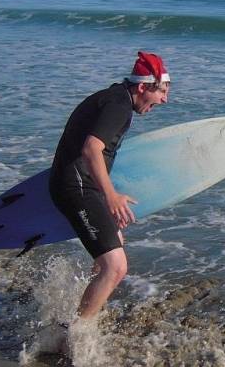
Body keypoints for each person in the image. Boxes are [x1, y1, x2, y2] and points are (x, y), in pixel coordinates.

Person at [49, 51, 170, 320]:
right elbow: (91, 149)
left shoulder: (112, 97)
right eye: (161, 91)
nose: (165, 99)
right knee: (115, 267)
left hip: (76, 184)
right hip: (75, 189)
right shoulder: (119, 107)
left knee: (114, 245)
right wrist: (111, 196)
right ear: (142, 87)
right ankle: (75, 334)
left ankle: (81, 307)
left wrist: (108, 197)